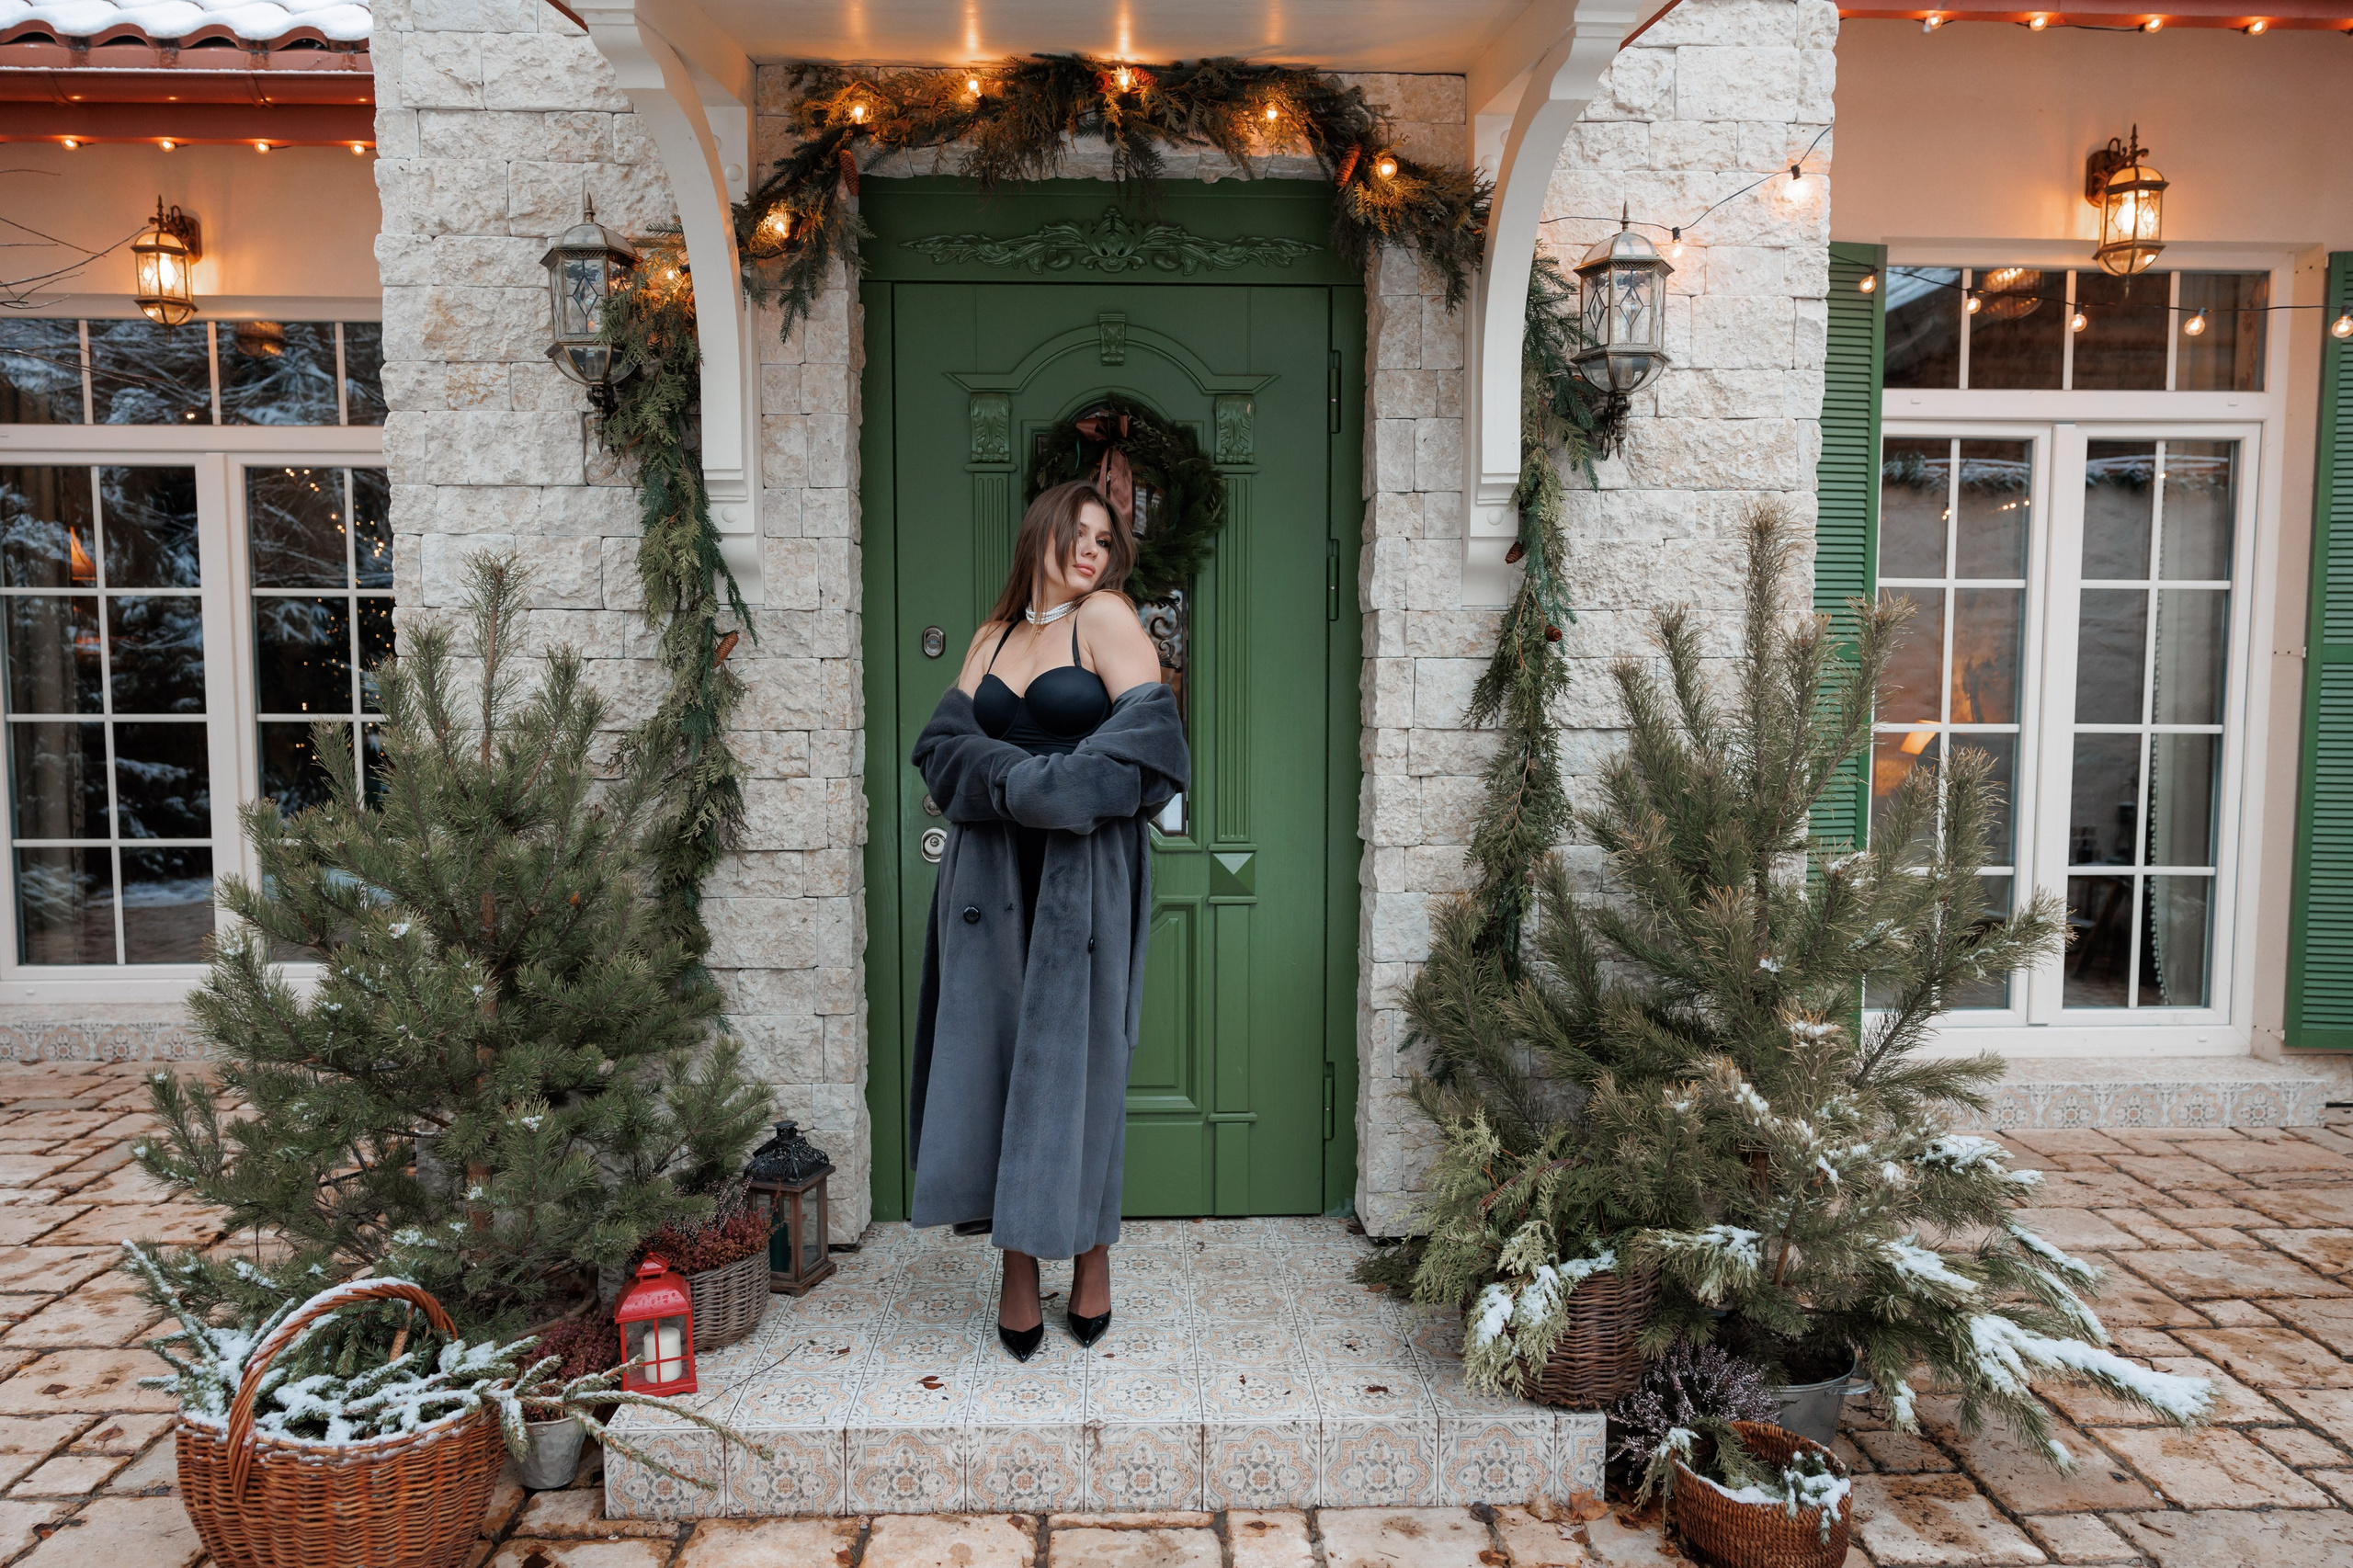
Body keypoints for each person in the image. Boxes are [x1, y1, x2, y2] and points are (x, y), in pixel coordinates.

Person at [907, 479, 1190, 1362]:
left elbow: (1150, 751)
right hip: (988, 883)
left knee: (1084, 1064)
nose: (1092, 551)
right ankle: (1018, 1270)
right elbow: (938, 754)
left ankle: (1093, 1253)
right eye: (1080, 533)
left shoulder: (1104, 618)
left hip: (1084, 878)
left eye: (1107, 541)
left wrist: (1020, 787)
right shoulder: (992, 637)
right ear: (1044, 530)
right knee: (993, 1061)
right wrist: (1012, 785)